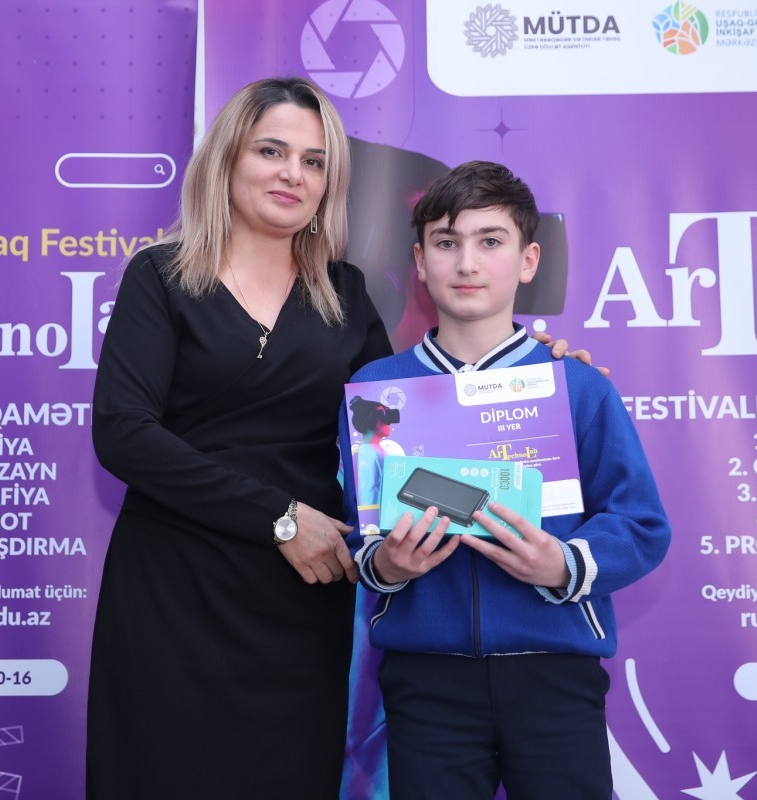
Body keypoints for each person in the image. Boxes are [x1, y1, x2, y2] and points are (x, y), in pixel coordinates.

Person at [89, 75, 587, 797]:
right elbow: (124, 434)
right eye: (271, 151)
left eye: (314, 160)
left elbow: (406, 424)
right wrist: (281, 518)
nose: (292, 173)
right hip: (174, 586)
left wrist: (532, 375)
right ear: (227, 159)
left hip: (301, 592)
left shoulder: (345, 292)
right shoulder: (161, 277)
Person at [338, 161, 671, 799]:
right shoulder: (378, 391)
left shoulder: (576, 383)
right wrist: (386, 564)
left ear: (528, 260)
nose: (467, 263)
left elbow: (641, 524)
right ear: (420, 261)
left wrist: (564, 564)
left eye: (490, 241)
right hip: (426, 681)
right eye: (446, 242)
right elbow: (361, 531)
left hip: (555, 675)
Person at [347, 395, 402, 511]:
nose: (389, 423)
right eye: (383, 415)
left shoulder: (373, 450)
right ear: (368, 419)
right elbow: (368, 493)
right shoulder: (369, 453)